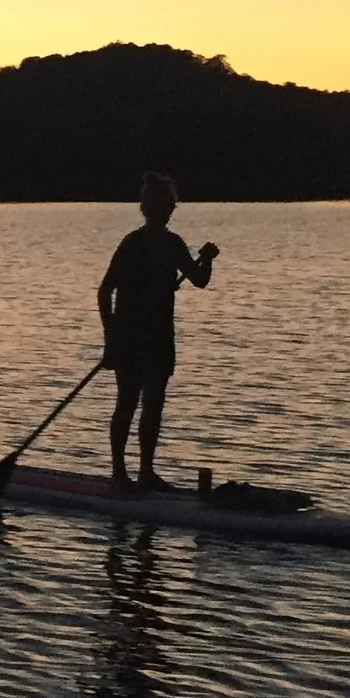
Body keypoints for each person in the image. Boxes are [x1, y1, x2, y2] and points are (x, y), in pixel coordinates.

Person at [97, 172, 218, 490]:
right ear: (150, 208)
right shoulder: (132, 244)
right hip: (130, 339)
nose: (169, 211)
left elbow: (200, 280)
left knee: (154, 404)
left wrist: (206, 260)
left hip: (160, 338)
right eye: (165, 205)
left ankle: (146, 472)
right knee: (127, 401)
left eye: (170, 206)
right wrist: (111, 339)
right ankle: (119, 473)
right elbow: (105, 290)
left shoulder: (174, 244)